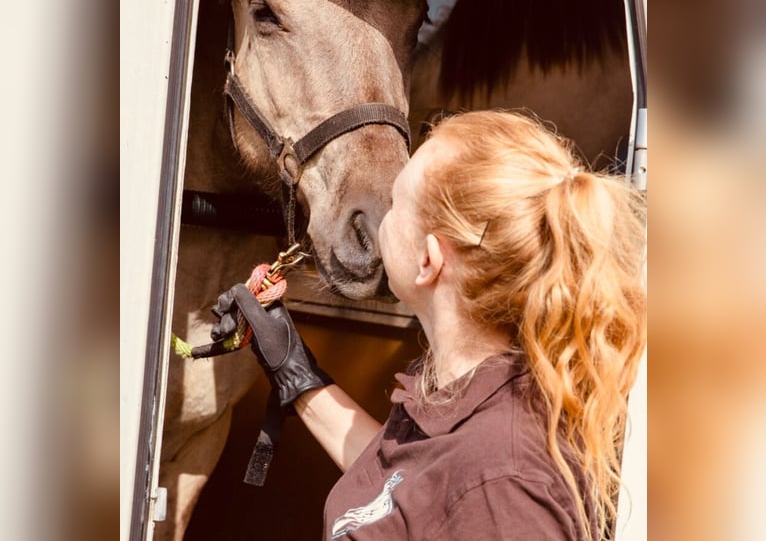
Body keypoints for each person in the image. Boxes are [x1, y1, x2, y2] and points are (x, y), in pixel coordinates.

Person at [209, 110, 647, 540]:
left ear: (429, 262)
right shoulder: (466, 389)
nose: (384, 215)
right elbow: (409, 488)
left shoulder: (506, 488)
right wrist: (297, 374)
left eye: (397, 204)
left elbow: (459, 490)